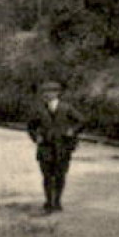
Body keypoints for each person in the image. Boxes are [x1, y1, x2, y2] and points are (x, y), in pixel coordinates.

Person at [26, 80, 82, 213]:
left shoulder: (66, 108)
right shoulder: (39, 110)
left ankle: (57, 201)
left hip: (62, 147)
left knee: (60, 175)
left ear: (57, 93)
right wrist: (36, 137)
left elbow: (81, 121)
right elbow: (30, 126)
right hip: (45, 147)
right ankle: (48, 201)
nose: (47, 94)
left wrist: (72, 131)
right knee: (46, 176)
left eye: (51, 91)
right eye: (45, 92)